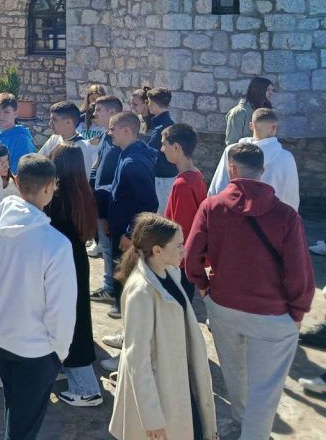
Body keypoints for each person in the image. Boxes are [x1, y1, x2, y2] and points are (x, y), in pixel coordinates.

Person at [184, 142, 315, 440]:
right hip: (272, 313)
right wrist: (297, 312)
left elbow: (191, 256)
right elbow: (300, 272)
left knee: (235, 374)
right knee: (265, 390)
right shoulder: (285, 215)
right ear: (262, 171)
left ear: (231, 169)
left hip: (223, 305)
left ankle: (241, 422)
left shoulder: (212, 206)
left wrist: (203, 287)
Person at [0, 154, 76, 440]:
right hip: (35, 349)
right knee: (24, 425)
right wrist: (60, 351)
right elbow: (61, 310)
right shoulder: (56, 244)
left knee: (15, 407)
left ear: (17, 182)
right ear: (50, 187)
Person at [110, 213, 216, 440]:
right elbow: (137, 359)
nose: (184, 250)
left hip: (178, 384)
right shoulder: (141, 292)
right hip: (161, 393)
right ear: (157, 250)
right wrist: (151, 419)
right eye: (178, 245)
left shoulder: (170, 274)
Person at [47, 145, 102, 407]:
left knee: (71, 321)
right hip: (76, 258)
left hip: (63, 261)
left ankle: (87, 389)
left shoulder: (57, 196)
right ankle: (67, 367)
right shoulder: (82, 191)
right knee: (76, 315)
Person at [102, 111, 158, 322]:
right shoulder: (127, 154)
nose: (109, 133)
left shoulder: (133, 162)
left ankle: (129, 324)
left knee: (128, 278)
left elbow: (149, 203)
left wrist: (130, 234)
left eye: (112, 129)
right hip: (120, 228)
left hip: (128, 234)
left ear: (126, 131)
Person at [209, 108, 300, 211]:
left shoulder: (232, 151)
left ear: (251, 126)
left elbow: (219, 185)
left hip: (233, 213)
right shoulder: (286, 158)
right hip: (273, 216)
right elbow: (291, 195)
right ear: (274, 128)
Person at [161, 123, 206, 301]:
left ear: (177, 148)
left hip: (179, 262)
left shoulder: (183, 184)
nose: (162, 149)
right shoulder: (196, 174)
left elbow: (182, 227)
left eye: (164, 144)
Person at [89, 96, 124, 306]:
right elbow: (97, 164)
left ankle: (111, 289)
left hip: (110, 204)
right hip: (100, 200)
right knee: (105, 246)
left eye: (99, 110)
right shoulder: (105, 136)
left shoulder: (118, 143)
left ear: (112, 113)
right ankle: (108, 285)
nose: (94, 114)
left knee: (110, 249)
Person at [141, 87, 176, 214]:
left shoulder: (163, 126)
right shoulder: (160, 123)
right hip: (159, 176)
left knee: (159, 214)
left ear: (154, 103)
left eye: (149, 102)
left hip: (162, 177)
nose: (148, 105)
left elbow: (152, 150)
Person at [39, 100, 98, 171]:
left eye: (54, 120)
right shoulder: (54, 138)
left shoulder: (83, 147)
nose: (50, 124)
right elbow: (40, 159)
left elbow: (85, 175)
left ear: (68, 122)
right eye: (50, 119)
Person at [0, 93, 36, 174]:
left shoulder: (22, 140)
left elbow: (21, 173)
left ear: (15, 113)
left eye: (6, 112)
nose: (1, 116)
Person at [225, 76, 274, 145]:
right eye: (268, 90)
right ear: (258, 90)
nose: (271, 93)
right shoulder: (239, 113)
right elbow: (232, 143)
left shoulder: (264, 112)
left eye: (272, 90)